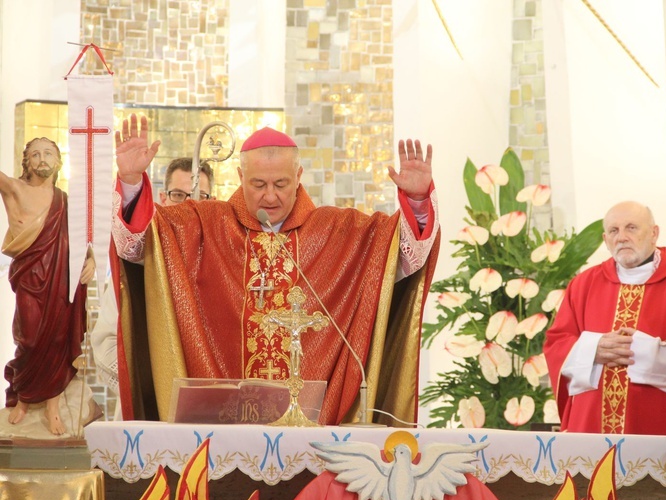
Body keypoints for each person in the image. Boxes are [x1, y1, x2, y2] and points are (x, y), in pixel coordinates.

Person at [111, 114, 440, 426]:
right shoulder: (203, 225)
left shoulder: (337, 231)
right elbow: (139, 245)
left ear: (298, 177)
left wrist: (416, 201)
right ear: (241, 178)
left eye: (281, 183)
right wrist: (130, 183)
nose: (270, 196)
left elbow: (402, 259)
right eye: (258, 184)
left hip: (313, 427)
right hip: (220, 430)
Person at [544, 201, 666, 437]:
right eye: (614, 231)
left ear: (654, 233)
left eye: (631, 228)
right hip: (591, 427)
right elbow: (557, 344)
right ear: (606, 240)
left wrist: (647, 351)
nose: (622, 237)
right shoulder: (583, 284)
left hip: (660, 426)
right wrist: (592, 349)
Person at [90, 157, 214, 418]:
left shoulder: (219, 267)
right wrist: (154, 379)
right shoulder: (139, 259)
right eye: (179, 194)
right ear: (163, 197)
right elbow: (105, 343)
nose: (190, 204)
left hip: (209, 412)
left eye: (201, 196)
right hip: (148, 409)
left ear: (213, 202)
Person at [0, 137, 95, 435]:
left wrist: (90, 259)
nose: (42, 159)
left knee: (56, 338)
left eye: (49, 154)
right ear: (27, 162)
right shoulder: (16, 189)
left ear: (58, 161)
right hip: (30, 276)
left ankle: (52, 406)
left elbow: (80, 238)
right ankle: (24, 399)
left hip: (61, 278)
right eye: (36, 155)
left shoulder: (65, 200)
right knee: (28, 336)